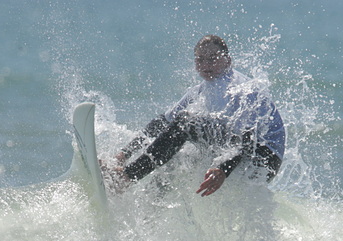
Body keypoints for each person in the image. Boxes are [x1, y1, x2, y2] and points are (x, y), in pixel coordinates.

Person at [110, 35, 285, 196]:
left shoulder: (241, 89)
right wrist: (124, 154)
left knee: (187, 122)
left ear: (228, 60)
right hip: (238, 153)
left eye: (213, 58)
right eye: (200, 60)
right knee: (177, 160)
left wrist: (224, 169)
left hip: (263, 159)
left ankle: (126, 177)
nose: (206, 65)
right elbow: (162, 123)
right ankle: (147, 212)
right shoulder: (200, 91)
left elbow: (248, 138)